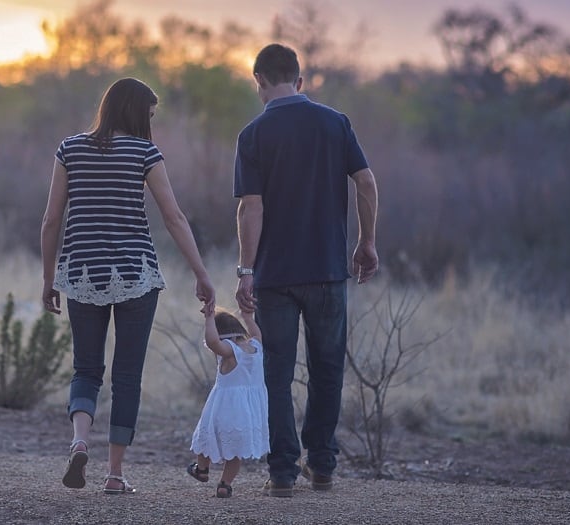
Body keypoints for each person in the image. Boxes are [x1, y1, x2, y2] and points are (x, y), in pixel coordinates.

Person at [40, 77, 215, 495]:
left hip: (82, 273)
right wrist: (201, 273)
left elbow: (50, 220)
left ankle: (80, 440)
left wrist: (49, 279)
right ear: (137, 113)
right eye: (150, 115)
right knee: (127, 376)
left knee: (86, 368)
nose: (151, 124)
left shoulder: (70, 149)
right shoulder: (144, 152)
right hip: (136, 274)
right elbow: (174, 218)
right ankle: (115, 475)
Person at [233, 43, 380, 497]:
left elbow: (250, 209)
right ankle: (322, 465)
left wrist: (245, 269)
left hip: (275, 276)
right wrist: (367, 242)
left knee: (276, 373)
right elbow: (366, 182)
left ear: (258, 82)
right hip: (328, 270)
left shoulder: (253, 134)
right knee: (327, 369)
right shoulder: (335, 123)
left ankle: (281, 473)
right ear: (300, 80)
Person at [186, 307, 269, 498]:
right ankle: (225, 484)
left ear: (223, 335)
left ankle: (202, 469)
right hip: (248, 413)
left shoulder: (230, 351)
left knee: (206, 439)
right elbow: (256, 332)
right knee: (235, 451)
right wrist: (248, 317)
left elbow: (213, 342)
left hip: (224, 409)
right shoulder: (256, 346)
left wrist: (208, 319)